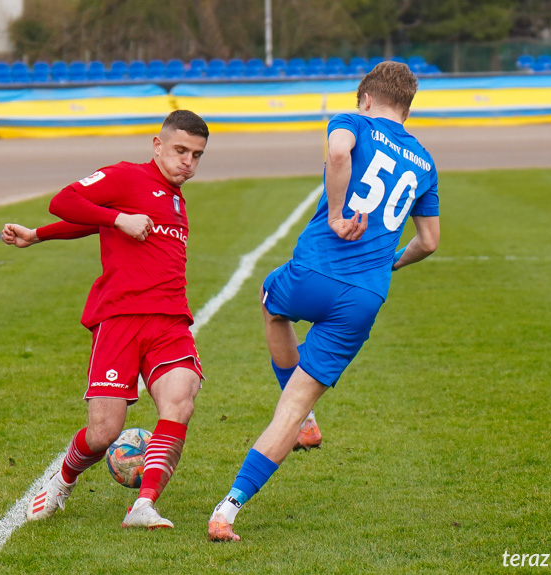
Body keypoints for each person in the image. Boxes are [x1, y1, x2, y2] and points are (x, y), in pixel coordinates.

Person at [207, 62, 440, 541]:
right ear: (408, 107)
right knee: (290, 409)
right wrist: (388, 264)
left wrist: (336, 215)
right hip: (365, 296)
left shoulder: (352, 122)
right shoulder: (425, 163)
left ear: (367, 99)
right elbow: (430, 242)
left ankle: (307, 420)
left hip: (314, 272)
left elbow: (338, 155)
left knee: (272, 302)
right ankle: (226, 511)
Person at [2, 110, 209, 529]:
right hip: (120, 319)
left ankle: (144, 505)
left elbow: (99, 225)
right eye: (180, 150)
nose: (187, 161)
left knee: (180, 401)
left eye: (197, 155)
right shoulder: (127, 176)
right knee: (103, 432)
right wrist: (116, 218)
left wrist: (41, 234)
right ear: (158, 145)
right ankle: (62, 480)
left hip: (170, 320)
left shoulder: (175, 197)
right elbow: (66, 202)